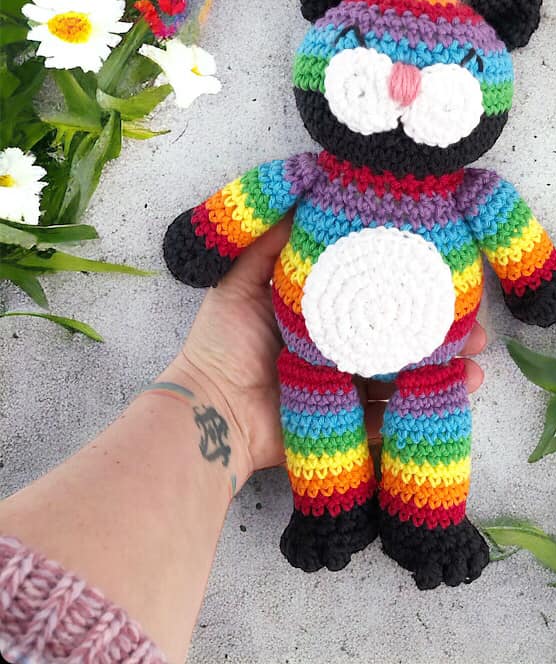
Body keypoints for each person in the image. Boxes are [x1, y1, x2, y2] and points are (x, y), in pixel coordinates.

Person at [0, 218, 486, 664]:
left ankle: (426, 524)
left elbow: (515, 238)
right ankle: (334, 513)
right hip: (321, 351)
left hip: (400, 354)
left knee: (406, 405)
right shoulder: (325, 182)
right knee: (344, 408)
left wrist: (211, 388)